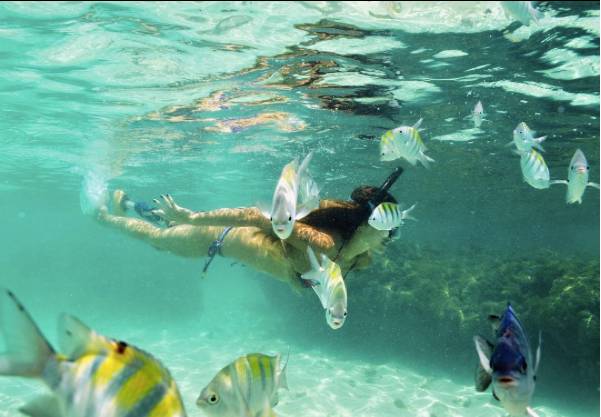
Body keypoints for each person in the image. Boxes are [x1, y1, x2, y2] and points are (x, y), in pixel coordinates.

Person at [96, 168, 404, 290]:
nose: (391, 237)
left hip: (231, 243)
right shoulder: (323, 243)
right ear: (368, 225)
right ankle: (103, 217)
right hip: (219, 238)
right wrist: (192, 217)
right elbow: (255, 217)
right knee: (159, 238)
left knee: (167, 229)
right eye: (390, 229)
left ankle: (130, 204)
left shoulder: (360, 259)